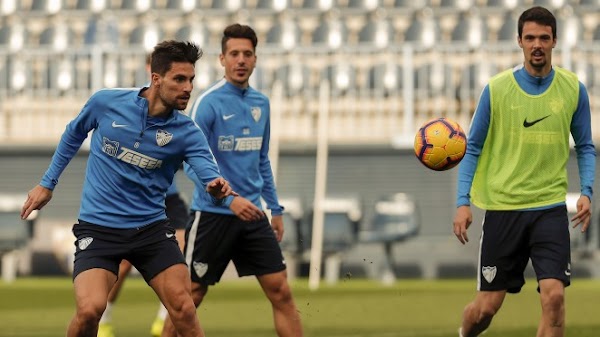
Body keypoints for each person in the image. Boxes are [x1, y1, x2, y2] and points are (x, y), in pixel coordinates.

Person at [20, 40, 236, 337]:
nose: (188, 87)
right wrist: (47, 183)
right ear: (156, 79)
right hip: (100, 229)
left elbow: (207, 172)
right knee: (89, 311)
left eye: (191, 80)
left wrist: (216, 186)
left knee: (184, 309)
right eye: (179, 79)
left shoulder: (187, 132)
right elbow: (73, 134)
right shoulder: (106, 103)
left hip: (151, 231)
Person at [452, 6, 595, 337]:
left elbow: (586, 146)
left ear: (555, 41)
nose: (537, 45)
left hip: (549, 210)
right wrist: (463, 202)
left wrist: (587, 190)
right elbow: (472, 148)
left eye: (544, 38)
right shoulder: (497, 89)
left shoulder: (573, 89)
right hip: (504, 210)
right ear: (519, 41)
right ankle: (464, 332)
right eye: (530, 38)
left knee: (555, 298)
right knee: (486, 308)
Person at [162, 24, 304, 337]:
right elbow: (193, 165)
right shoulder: (208, 104)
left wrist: (275, 209)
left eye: (247, 54)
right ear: (222, 59)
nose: (241, 60)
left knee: (281, 291)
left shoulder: (261, 104)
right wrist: (228, 199)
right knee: (191, 297)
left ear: (255, 60)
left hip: (253, 214)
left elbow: (262, 159)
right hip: (213, 215)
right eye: (234, 54)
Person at [97, 54, 192, 337]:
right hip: (135, 199)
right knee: (124, 265)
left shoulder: (176, 110)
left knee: (180, 251)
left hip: (169, 197)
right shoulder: (133, 104)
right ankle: (104, 318)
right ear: (152, 73)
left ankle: (164, 319)